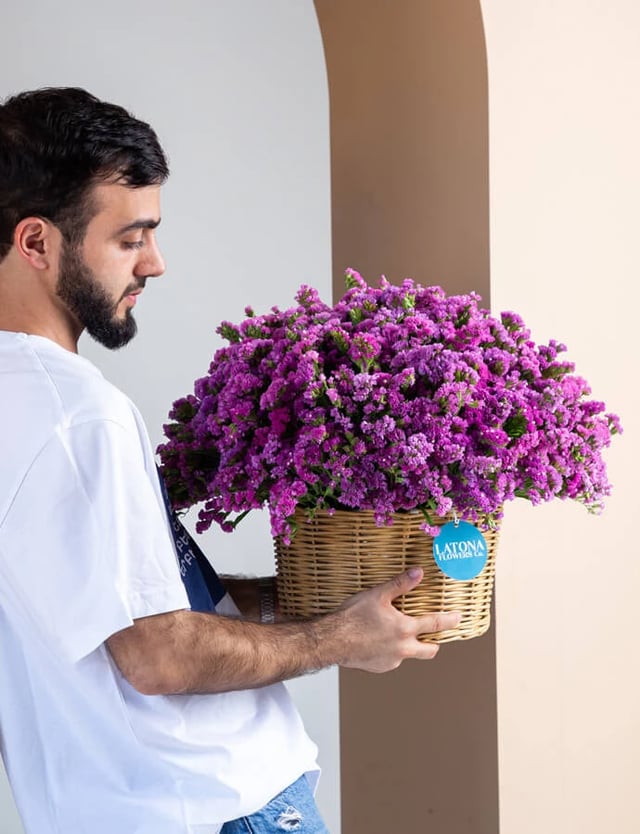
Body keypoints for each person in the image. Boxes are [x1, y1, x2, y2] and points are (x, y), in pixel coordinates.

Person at [0, 87, 460, 834]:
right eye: (130, 238)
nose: (155, 262)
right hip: (218, 810)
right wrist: (343, 640)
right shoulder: (78, 414)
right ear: (37, 243)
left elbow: (122, 613)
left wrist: (310, 593)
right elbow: (158, 655)